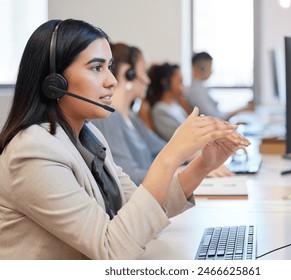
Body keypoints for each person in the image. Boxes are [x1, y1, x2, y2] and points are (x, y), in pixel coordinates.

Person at [0, 19, 250, 260]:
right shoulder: (33, 150)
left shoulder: (88, 135)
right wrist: (172, 155)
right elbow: (112, 250)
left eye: (109, 67)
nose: (113, 81)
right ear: (55, 82)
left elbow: (137, 210)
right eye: (97, 68)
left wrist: (203, 165)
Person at [92, 43, 166, 186]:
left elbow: (160, 149)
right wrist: (180, 174)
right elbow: (128, 175)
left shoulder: (130, 116)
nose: (147, 80)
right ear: (128, 73)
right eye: (144, 71)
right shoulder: (109, 117)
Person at [185, 52, 254, 121]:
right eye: (210, 67)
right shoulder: (196, 91)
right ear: (202, 68)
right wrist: (243, 109)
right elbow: (215, 117)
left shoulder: (199, 87)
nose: (211, 71)